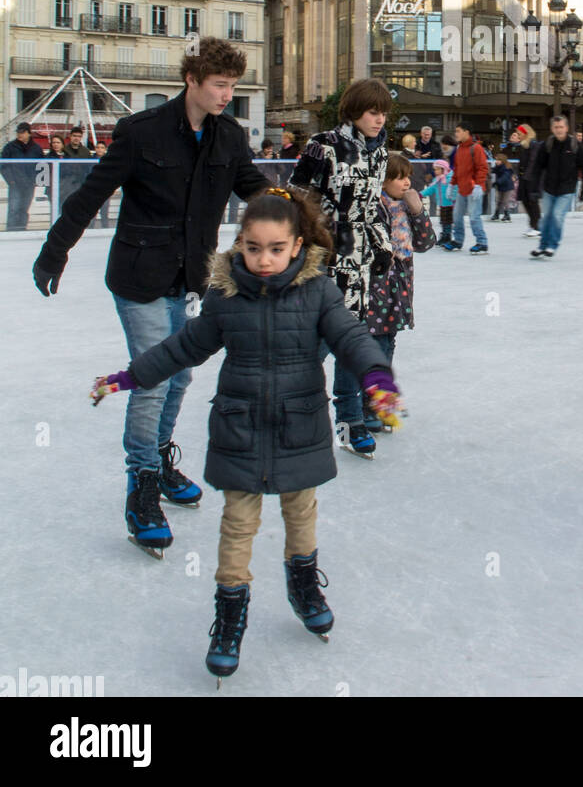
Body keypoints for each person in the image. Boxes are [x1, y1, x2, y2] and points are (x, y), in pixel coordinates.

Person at [89, 185, 398, 680]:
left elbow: (350, 336)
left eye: (277, 249)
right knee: (237, 526)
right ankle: (230, 614)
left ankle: (303, 585)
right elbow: (180, 349)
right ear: (240, 244)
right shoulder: (225, 296)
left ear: (298, 245)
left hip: (300, 425)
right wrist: (129, 376)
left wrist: (376, 377)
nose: (264, 260)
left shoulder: (319, 291)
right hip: (240, 427)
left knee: (301, 514)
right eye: (253, 248)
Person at [31, 37, 271, 556]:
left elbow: (252, 185)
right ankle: (140, 485)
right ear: (192, 81)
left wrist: (296, 208)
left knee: (181, 374)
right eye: (219, 85)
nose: (228, 94)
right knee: (154, 377)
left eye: (232, 86)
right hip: (140, 277)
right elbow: (91, 193)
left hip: (192, 279)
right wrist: (55, 251)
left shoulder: (228, 136)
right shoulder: (142, 132)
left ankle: (159, 458)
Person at [288, 78, 393, 460]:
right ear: (353, 111)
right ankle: (291, 411)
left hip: (359, 261)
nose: (379, 119)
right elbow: (296, 197)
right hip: (325, 256)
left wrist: (382, 243)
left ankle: (350, 420)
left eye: (383, 112)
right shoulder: (324, 146)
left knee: (351, 343)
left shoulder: (380, 152)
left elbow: (372, 206)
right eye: (372, 111)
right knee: (314, 345)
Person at [363, 155, 436, 431]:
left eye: (408, 176)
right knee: (376, 347)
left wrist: (418, 211)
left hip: (399, 287)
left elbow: (426, 243)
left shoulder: (405, 207)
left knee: (388, 344)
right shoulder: (374, 207)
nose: (407, 182)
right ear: (382, 180)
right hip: (377, 286)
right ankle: (371, 408)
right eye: (399, 177)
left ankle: (378, 406)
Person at [528, 114, 583, 260]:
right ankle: (542, 246)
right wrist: (534, 188)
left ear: (566, 128)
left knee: (557, 216)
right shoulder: (547, 145)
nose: (559, 130)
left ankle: (552, 245)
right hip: (549, 188)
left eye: (561, 127)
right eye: (556, 127)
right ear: (552, 129)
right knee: (546, 218)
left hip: (567, 189)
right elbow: (537, 167)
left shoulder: (575, 145)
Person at [445, 121, 489, 255]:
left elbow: (482, 168)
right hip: (461, 189)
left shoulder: (476, 148)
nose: (456, 134)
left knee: (474, 217)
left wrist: (479, 185)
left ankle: (482, 242)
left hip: (474, 189)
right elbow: (457, 169)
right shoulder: (459, 148)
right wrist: (452, 183)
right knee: (457, 216)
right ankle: (458, 240)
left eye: (458, 131)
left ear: (466, 132)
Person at [1, 121, 44, 230]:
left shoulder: (36, 148)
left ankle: (22, 230)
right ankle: (11, 232)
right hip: (15, 184)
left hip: (29, 184)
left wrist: (36, 180)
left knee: (24, 209)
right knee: (13, 209)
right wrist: (11, 180)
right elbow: (3, 166)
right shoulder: (10, 147)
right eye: (18, 132)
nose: (20, 134)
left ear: (29, 133)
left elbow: (42, 165)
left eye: (23, 132)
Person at [421, 158, 456, 246]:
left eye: (437, 169)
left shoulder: (450, 178)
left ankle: (447, 236)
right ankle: (444, 235)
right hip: (442, 204)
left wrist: (454, 199)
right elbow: (431, 189)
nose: (435, 171)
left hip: (450, 204)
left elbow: (455, 189)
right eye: (435, 169)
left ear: (443, 169)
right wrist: (420, 194)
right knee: (443, 220)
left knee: (448, 221)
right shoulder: (437, 179)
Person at [515, 126, 541, 239]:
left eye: (519, 133)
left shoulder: (534, 145)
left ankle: (537, 227)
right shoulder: (524, 146)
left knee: (532, 202)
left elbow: (533, 162)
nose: (518, 136)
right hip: (524, 178)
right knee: (525, 201)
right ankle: (533, 224)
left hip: (532, 179)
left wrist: (528, 177)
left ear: (526, 133)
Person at [88, 141, 113, 229]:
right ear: (95, 149)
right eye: (98, 147)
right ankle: (90, 230)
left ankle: (105, 229)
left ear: (105, 149)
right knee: (92, 214)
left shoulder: (109, 161)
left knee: (104, 212)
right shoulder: (89, 160)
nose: (99, 149)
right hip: (93, 191)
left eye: (102, 147)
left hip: (105, 191)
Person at [42, 134, 70, 212]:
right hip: (52, 189)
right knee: (55, 211)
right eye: (54, 143)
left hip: (65, 189)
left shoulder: (67, 157)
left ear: (62, 144)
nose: (56, 144)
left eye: (58, 142)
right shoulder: (48, 157)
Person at [490, 154, 516, 222]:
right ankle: (497, 214)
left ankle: (507, 215)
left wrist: (497, 182)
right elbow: (493, 170)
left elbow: (505, 177)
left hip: (507, 187)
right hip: (501, 186)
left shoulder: (506, 168)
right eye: (496, 160)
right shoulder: (498, 167)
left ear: (502, 160)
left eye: (498, 160)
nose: (497, 161)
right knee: (499, 201)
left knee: (505, 201)